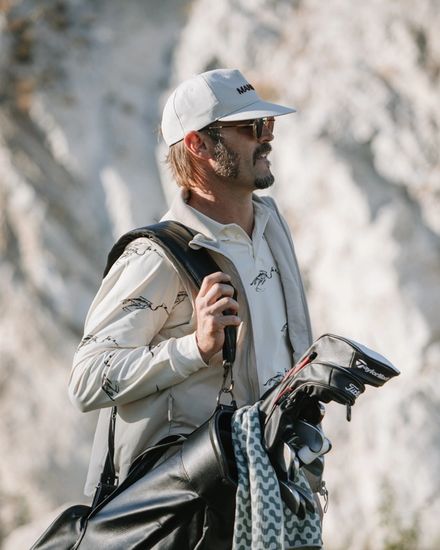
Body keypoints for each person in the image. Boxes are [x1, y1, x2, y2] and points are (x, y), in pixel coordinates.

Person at [68, 68, 313, 502]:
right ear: (198, 144)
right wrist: (194, 349)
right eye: (251, 127)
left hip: (273, 494)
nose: (267, 137)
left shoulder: (272, 225)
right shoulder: (155, 257)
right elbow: (86, 381)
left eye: (268, 123)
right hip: (192, 511)